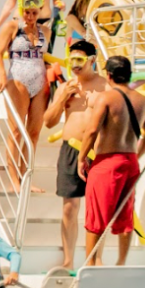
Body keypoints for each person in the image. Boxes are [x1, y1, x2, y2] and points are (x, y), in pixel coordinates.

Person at [80, 53, 145, 266]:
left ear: (109, 75)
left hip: (106, 162)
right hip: (130, 161)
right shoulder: (144, 101)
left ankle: (93, 263)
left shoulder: (106, 98)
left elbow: (92, 131)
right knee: (125, 214)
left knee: (96, 216)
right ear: (129, 75)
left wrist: (81, 158)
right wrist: (136, 155)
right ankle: (121, 263)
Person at [42, 37, 109, 269]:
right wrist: (61, 98)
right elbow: (48, 122)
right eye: (72, 60)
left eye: (80, 60)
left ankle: (96, 257)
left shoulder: (105, 87)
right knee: (70, 207)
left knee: (97, 208)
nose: (75, 65)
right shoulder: (65, 87)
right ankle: (69, 259)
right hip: (70, 149)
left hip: (96, 151)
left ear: (92, 60)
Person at [0, 0, 55, 184]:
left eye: (34, 13)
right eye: (27, 12)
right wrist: (2, 75)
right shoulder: (13, 28)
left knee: (34, 133)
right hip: (17, 79)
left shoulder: (45, 32)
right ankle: (13, 180)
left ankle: (25, 178)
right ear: (21, 11)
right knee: (16, 131)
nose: (30, 17)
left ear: (40, 13)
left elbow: (43, 58)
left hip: (39, 79)